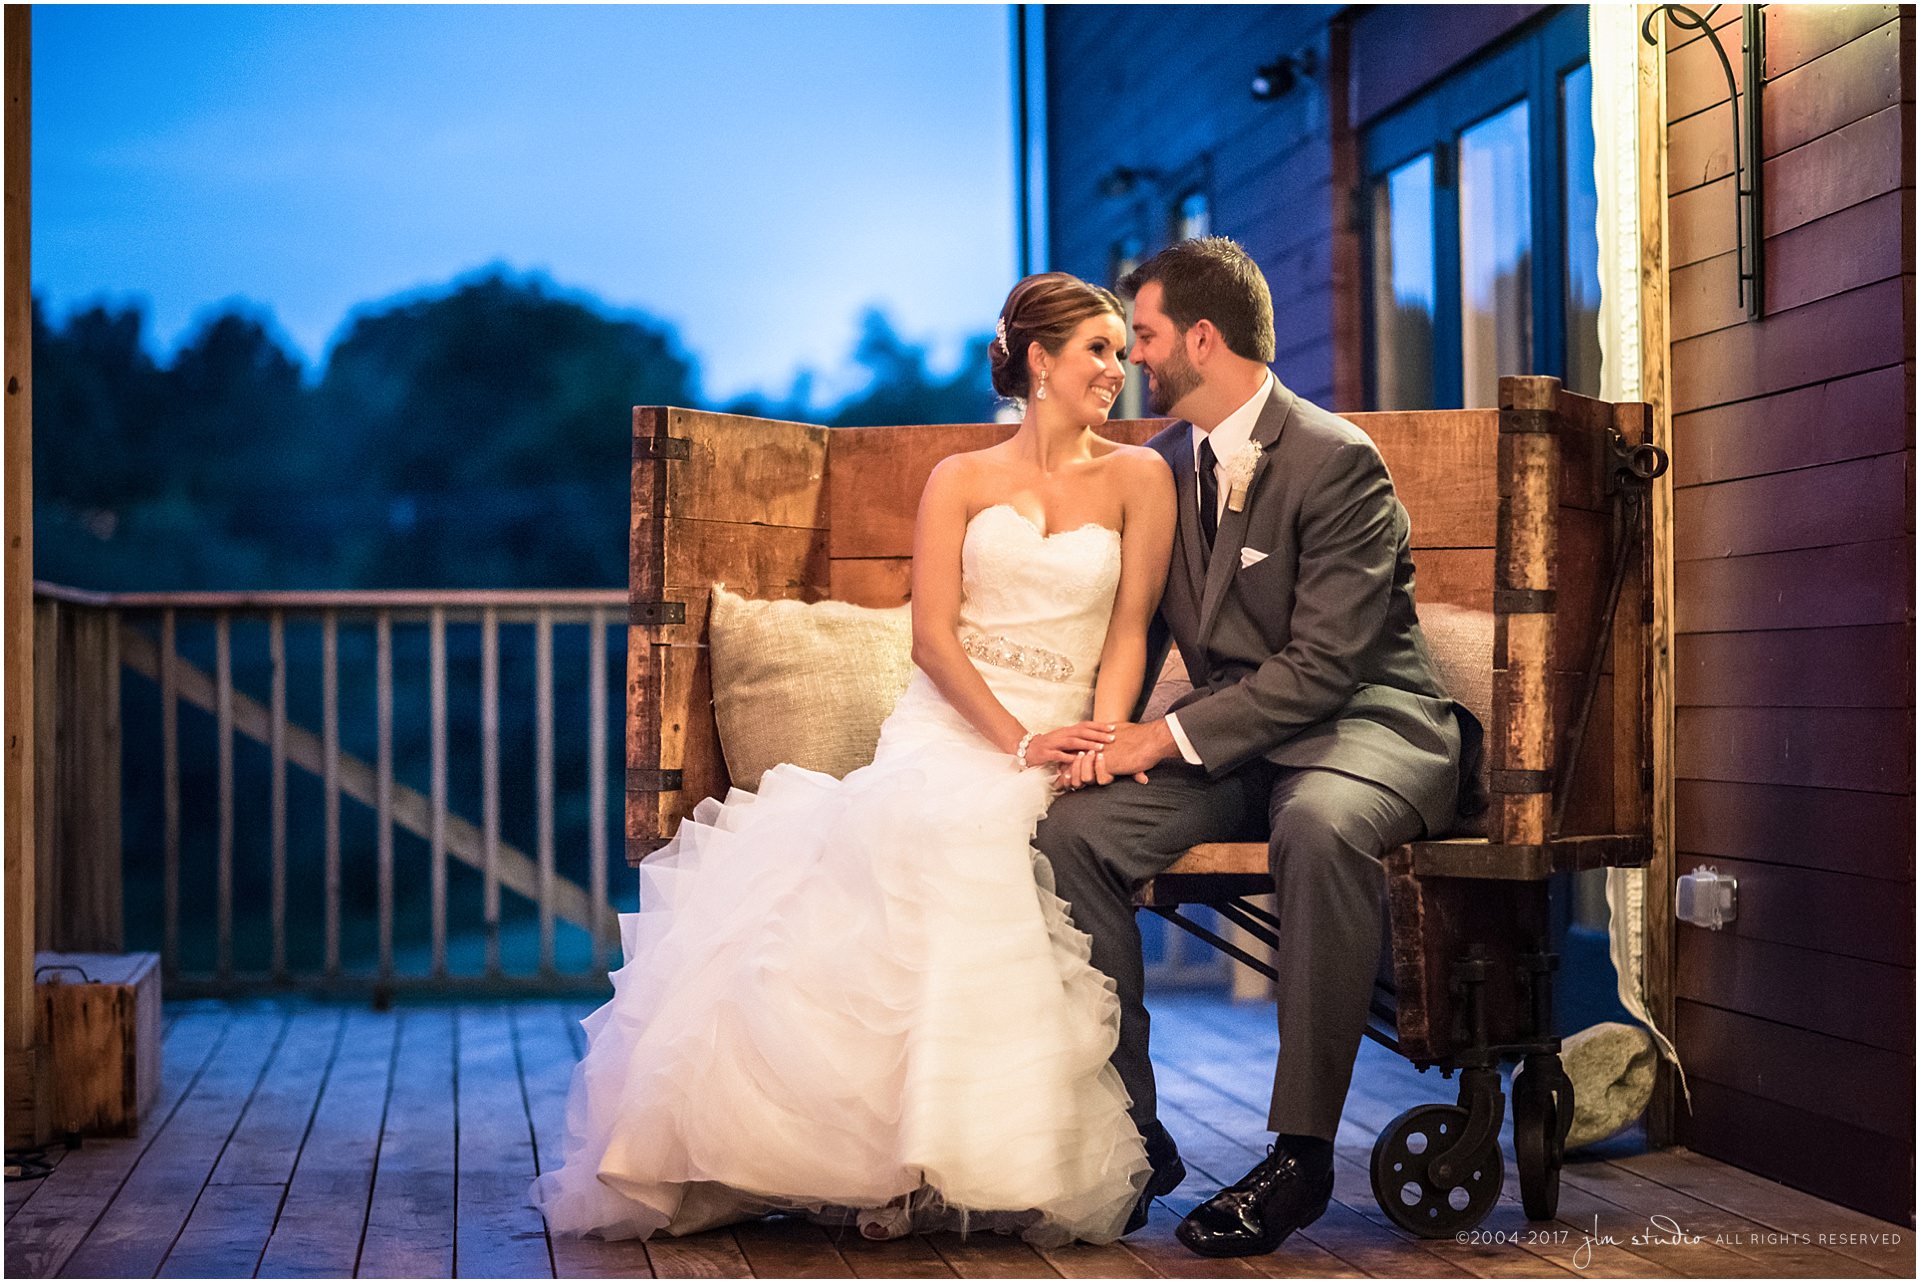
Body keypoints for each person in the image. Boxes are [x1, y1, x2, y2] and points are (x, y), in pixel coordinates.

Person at [530, 272, 1182, 1247]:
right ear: (1038, 359)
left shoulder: (1142, 477)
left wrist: (1099, 734)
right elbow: (932, 641)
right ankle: (824, 1147)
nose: (1117, 369)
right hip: (953, 723)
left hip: (1069, 721)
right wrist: (1016, 740)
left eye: (1125, 351)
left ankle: (975, 1147)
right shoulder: (958, 480)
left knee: (984, 842)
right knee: (913, 831)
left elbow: (1131, 629)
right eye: (1099, 347)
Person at [1034, 237, 1484, 1258]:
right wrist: (1090, 740)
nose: (1134, 358)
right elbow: (1131, 630)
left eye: (1143, 335)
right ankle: (1134, 1129)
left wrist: (1169, 732)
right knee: (1074, 830)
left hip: (1370, 725)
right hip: (1241, 744)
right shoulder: (1158, 467)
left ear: (1202, 336)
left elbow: (1329, 664)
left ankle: (1301, 1151)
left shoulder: (1336, 459)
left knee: (1320, 822)